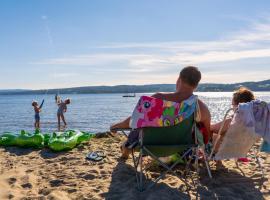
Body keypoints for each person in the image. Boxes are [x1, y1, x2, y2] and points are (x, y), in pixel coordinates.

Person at [110, 66, 211, 159]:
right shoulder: (200, 107)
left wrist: (116, 126)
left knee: (132, 136)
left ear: (179, 79)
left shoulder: (157, 99)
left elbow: (134, 121)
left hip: (149, 146)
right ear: (196, 85)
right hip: (182, 148)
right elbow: (207, 133)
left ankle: (125, 150)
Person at [211, 87, 255, 163]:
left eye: (233, 105)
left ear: (239, 106)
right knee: (221, 133)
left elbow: (212, 128)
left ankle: (215, 156)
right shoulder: (253, 120)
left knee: (212, 132)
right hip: (243, 147)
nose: (232, 107)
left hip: (231, 148)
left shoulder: (234, 121)